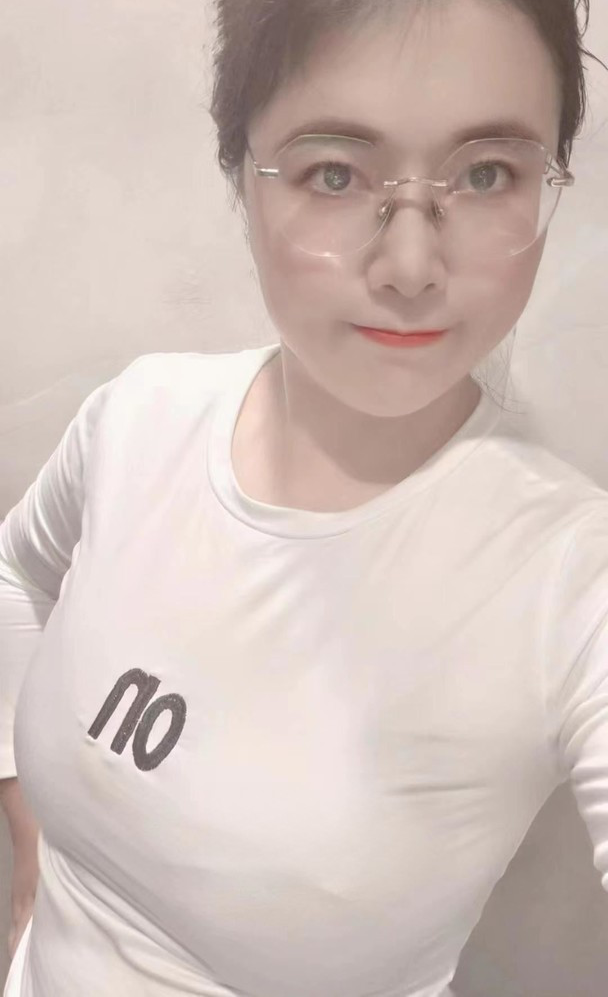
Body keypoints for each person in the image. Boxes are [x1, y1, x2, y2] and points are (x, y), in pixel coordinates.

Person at [1, 0, 607, 994]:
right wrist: (30, 839)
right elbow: (15, 575)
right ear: (240, 176)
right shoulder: (140, 416)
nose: (410, 268)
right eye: (334, 172)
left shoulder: (571, 581)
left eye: (486, 174)